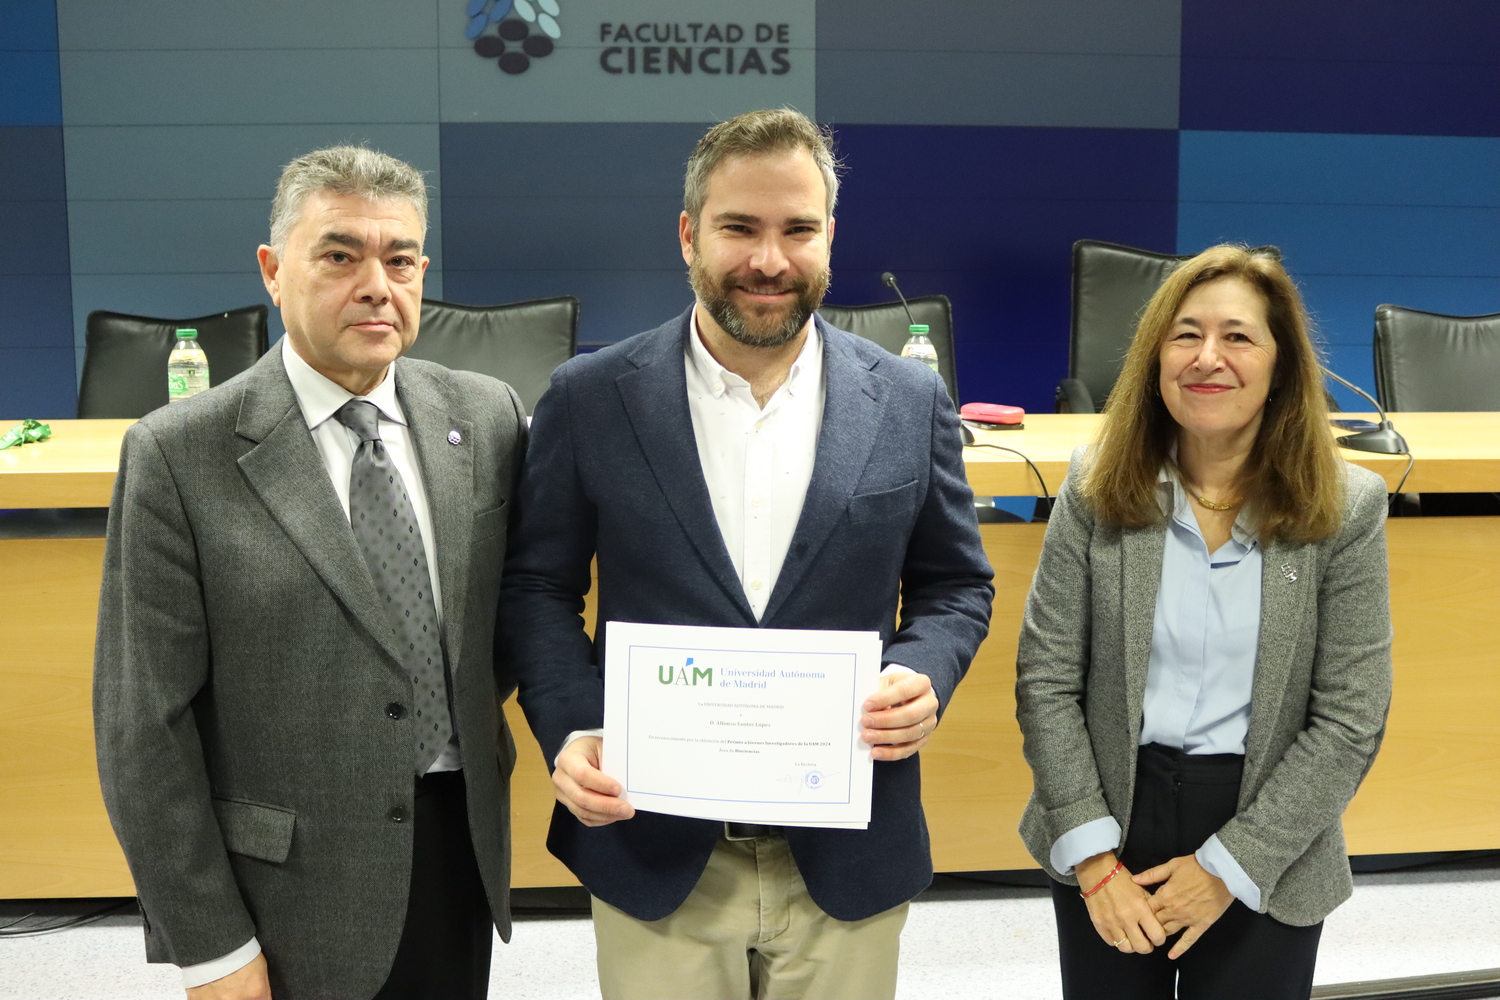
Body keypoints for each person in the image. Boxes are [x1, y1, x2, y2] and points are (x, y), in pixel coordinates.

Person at [498, 108, 994, 1000]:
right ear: (689, 234)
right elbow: (537, 588)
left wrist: (926, 672)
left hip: (850, 847)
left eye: (797, 229)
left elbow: (955, 585)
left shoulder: (912, 402)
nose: (770, 260)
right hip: (656, 845)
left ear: (830, 238)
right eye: (739, 227)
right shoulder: (589, 399)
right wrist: (573, 729)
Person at [94, 146, 525, 1000]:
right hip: (286, 885)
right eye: (339, 255)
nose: (376, 284)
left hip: (456, 851)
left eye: (399, 259)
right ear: (272, 270)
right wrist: (211, 948)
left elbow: (507, 619)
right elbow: (143, 727)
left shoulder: (487, 417)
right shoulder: (180, 454)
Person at [1015, 244, 1393, 998]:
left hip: (1267, 829)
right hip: (1111, 815)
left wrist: (1231, 866)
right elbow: (1046, 679)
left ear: (1281, 366)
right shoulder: (1096, 486)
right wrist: (1092, 860)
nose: (1207, 357)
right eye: (1185, 334)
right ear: (1156, 356)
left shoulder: (1346, 508)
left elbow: (1351, 716)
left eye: (1238, 336)